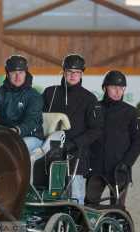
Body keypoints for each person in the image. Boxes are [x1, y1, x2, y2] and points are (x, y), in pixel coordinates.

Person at [41, 53, 103, 204]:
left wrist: (74, 143)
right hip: (50, 153)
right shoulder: (50, 93)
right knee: (48, 195)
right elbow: (39, 119)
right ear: (63, 72)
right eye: (70, 72)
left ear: (82, 74)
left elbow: (96, 130)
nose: (73, 75)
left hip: (76, 155)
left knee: (75, 198)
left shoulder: (89, 99)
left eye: (77, 72)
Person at [86, 70, 140, 207]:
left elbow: (139, 139)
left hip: (119, 169)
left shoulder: (131, 112)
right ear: (105, 88)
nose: (118, 91)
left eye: (121, 88)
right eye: (114, 87)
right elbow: (87, 136)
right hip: (96, 169)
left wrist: (127, 163)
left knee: (118, 208)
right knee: (90, 206)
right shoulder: (95, 108)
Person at [0, 55, 44, 153]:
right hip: (4, 134)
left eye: (21, 72)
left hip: (30, 136)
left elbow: (31, 121)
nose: (17, 76)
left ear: (26, 73)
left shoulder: (34, 96)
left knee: (14, 148)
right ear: (7, 74)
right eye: (13, 73)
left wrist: (17, 130)